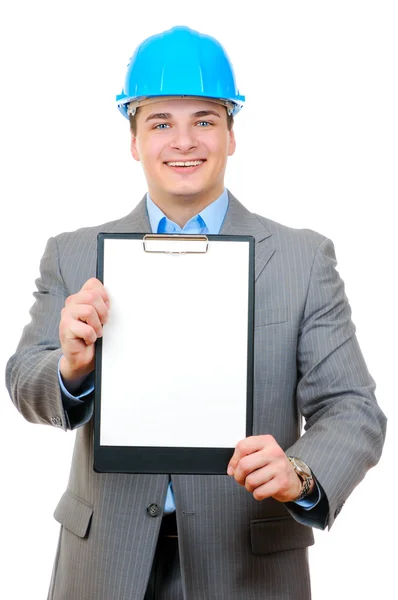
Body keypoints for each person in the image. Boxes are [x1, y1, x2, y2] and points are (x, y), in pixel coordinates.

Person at [6, 25, 386, 600]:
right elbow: (23, 380)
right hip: (103, 565)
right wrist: (71, 367)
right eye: (161, 123)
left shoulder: (302, 259)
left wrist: (300, 473)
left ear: (232, 134)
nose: (184, 141)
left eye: (204, 121)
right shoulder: (76, 254)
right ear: (134, 140)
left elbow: (353, 409)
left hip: (247, 565)